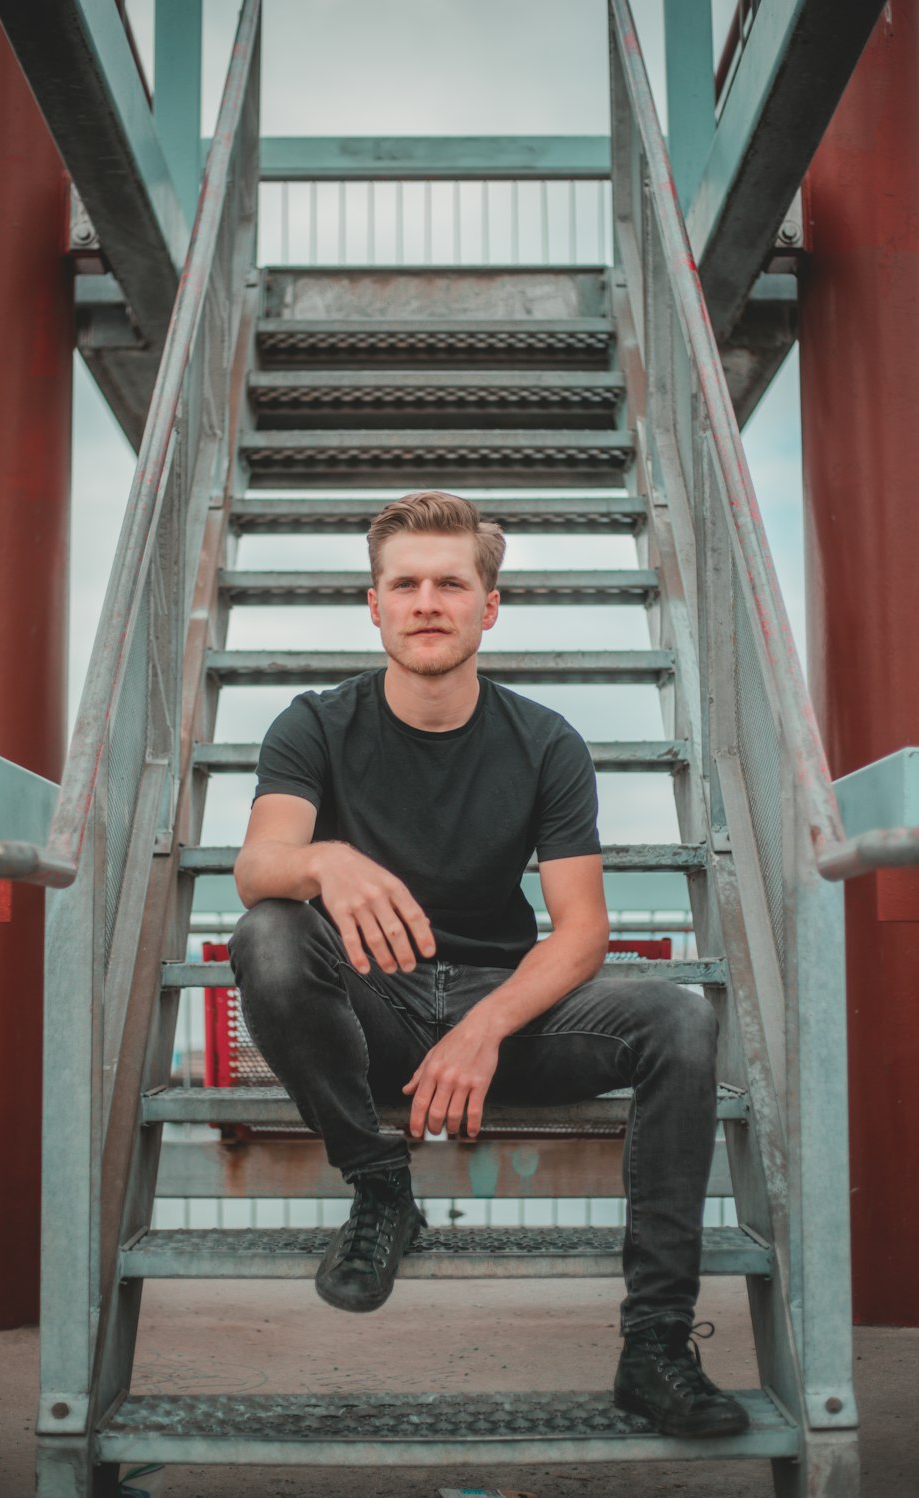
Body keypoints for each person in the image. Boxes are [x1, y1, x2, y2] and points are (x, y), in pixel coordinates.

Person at [228, 490, 748, 1438]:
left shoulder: (545, 741)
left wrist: (483, 1024)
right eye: (406, 584)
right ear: (374, 605)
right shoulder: (312, 725)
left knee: (678, 1017)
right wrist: (324, 860)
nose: (428, 600)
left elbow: (582, 931)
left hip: (501, 1015)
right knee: (268, 929)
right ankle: (381, 1187)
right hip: (369, 1018)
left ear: (489, 606)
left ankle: (657, 1344)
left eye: (451, 583)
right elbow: (259, 866)